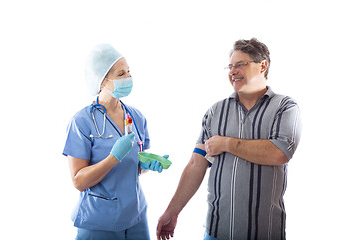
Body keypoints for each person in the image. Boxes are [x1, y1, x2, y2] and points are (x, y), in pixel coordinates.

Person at [156, 38, 302, 240]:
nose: (232, 71)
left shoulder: (285, 107)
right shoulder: (215, 111)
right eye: (230, 66)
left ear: (263, 66)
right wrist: (172, 211)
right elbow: (196, 164)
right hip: (216, 233)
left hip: (265, 234)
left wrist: (226, 143)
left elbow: (279, 153)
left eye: (240, 64)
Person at [63, 44, 164, 240]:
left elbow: (135, 167)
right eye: (121, 74)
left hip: (136, 215)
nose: (128, 78)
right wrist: (113, 158)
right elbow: (78, 181)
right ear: (102, 81)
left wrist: (146, 163)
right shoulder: (82, 122)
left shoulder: (136, 117)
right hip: (99, 220)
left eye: (128, 72)